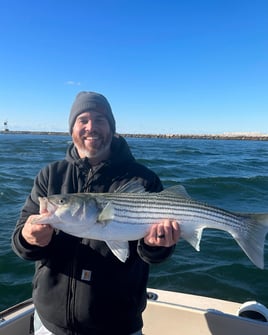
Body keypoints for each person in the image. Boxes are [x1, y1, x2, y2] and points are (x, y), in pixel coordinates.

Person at [12, 91, 180, 335]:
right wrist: (29, 239)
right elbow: (20, 242)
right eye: (83, 120)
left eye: (100, 119)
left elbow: (154, 255)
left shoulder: (143, 179)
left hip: (118, 324)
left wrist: (157, 245)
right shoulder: (50, 176)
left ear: (111, 127)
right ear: (72, 128)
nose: (91, 127)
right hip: (50, 323)